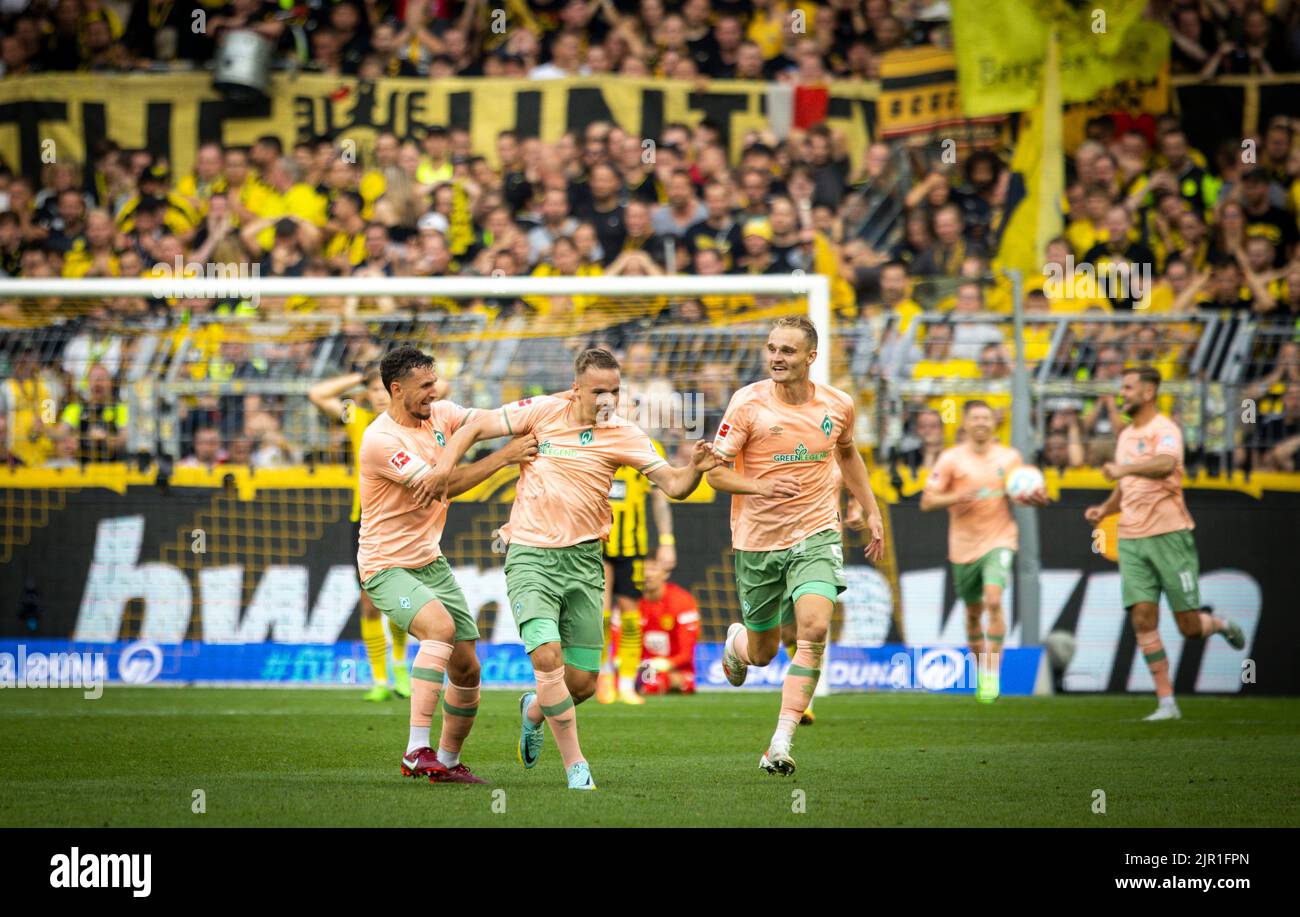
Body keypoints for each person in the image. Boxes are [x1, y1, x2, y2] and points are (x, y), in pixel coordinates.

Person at [426, 348, 718, 790]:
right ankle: (576, 767)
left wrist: (694, 468)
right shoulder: (543, 410)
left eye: (615, 391)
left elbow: (674, 485)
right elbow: (476, 425)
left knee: (580, 683)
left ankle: (533, 710)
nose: (608, 400)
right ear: (576, 388)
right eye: (599, 391)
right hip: (530, 555)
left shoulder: (625, 434)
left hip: (584, 562)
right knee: (547, 656)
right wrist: (446, 465)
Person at [708, 316, 886, 777]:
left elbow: (847, 453)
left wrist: (870, 509)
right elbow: (716, 472)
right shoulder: (747, 405)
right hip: (757, 541)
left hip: (815, 532)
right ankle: (736, 644)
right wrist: (760, 488)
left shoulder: (838, 404)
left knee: (814, 629)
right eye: (771, 348)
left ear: (810, 356)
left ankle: (780, 744)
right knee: (764, 651)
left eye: (787, 351)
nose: (776, 358)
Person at [357, 346, 538, 783]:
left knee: (467, 667)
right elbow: (443, 486)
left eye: (435, 385)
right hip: (386, 565)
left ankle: (448, 762)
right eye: (424, 387)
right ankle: (415, 750)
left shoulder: (440, 414)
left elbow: (488, 420)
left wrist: (547, 411)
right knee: (438, 629)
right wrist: (504, 457)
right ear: (396, 390)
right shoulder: (382, 441)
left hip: (429, 561)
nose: (433, 394)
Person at [1083, 366, 1245, 722]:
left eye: (1128, 387)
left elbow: (1164, 465)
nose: (1121, 393)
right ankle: (1166, 702)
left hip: (1169, 537)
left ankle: (1217, 624)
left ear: (1149, 392)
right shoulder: (1126, 434)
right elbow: (1125, 488)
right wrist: (1105, 509)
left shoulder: (1166, 430)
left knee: (1188, 626)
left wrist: (1125, 470)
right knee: (1142, 618)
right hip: (1131, 538)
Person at [920, 401, 1046, 702]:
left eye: (986, 418)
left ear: (994, 423)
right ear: (964, 424)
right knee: (973, 613)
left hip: (999, 540)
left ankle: (992, 673)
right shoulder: (951, 459)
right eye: (975, 418)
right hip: (963, 547)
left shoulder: (1010, 457)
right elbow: (927, 502)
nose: (980, 423)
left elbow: (1021, 492)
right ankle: (981, 672)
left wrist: (1034, 497)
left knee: (993, 599)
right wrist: (956, 495)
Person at [596, 446, 676, 706]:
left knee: (631, 618)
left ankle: (627, 684)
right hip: (598, 545)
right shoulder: (596, 443)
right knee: (602, 616)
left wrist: (666, 540)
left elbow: (659, 498)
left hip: (633, 550)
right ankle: (603, 676)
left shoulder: (646, 446)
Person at [634, 559, 700, 695]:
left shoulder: (682, 601)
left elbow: (686, 653)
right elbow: (617, 647)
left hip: (675, 669)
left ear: (665, 573)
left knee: (664, 682)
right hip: (636, 668)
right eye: (643, 569)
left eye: (653, 569)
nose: (647, 574)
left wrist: (663, 665)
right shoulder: (629, 602)